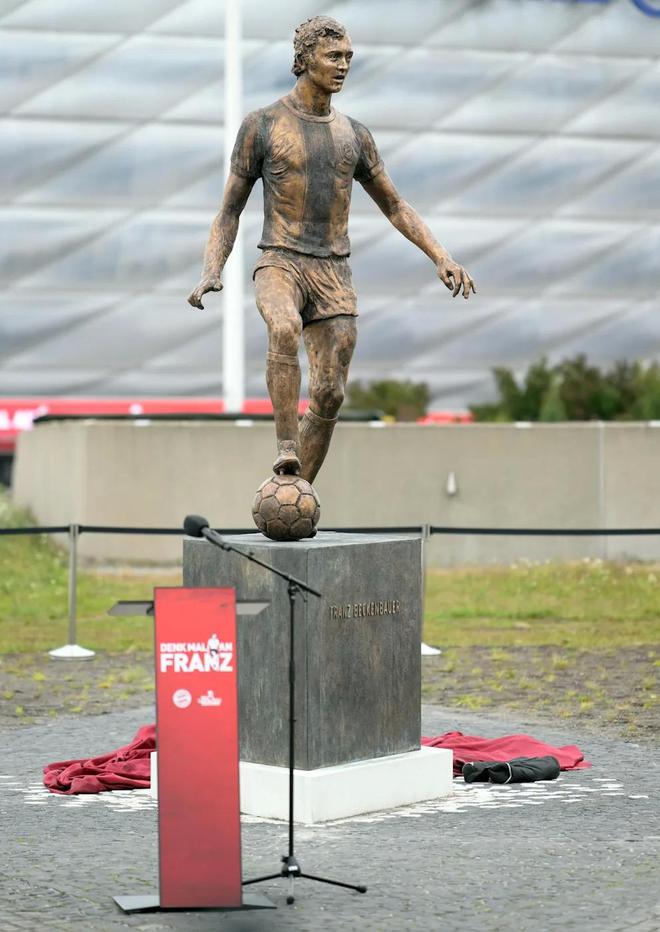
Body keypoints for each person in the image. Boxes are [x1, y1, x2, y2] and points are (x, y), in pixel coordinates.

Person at [188, 15, 475, 483]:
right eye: (333, 56)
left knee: (330, 393)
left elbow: (395, 205)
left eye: (348, 57)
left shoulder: (355, 135)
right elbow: (229, 210)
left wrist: (441, 256)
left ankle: (294, 492)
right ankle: (286, 448)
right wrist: (210, 269)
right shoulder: (262, 125)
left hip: (333, 270)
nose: (343, 65)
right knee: (283, 327)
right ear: (304, 60)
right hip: (280, 260)